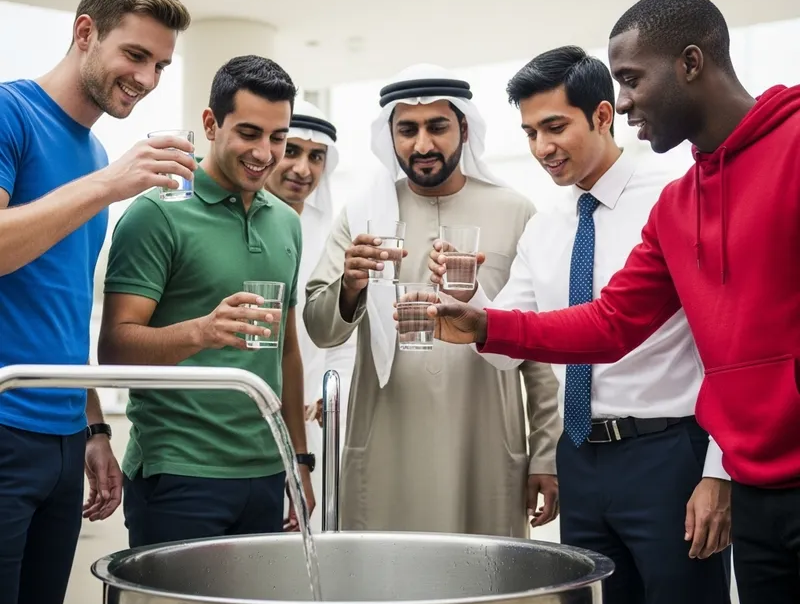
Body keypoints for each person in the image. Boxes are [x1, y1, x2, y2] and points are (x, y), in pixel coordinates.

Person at [425, 0, 800, 604]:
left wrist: (717, 468)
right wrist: (483, 323)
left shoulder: (767, 154)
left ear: (688, 63)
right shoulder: (671, 207)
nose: (626, 104)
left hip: (680, 456)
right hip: (639, 469)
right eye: (529, 134)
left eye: (631, 81)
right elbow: (609, 324)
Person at [0, 0, 192, 604]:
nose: (146, 78)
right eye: (135, 55)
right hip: (3, 424)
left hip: (58, 438)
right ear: (85, 32)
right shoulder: (10, 115)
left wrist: (93, 426)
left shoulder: (95, 153)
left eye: (161, 65)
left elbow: (63, 307)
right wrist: (107, 185)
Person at [303, 63, 561, 536]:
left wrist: (546, 452)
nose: (422, 144)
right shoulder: (361, 215)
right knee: (386, 591)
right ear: (390, 136)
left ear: (463, 127)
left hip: (482, 444)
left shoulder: (516, 210)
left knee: (486, 589)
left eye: (437, 126)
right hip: (386, 442)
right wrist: (350, 285)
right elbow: (321, 328)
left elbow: (539, 348)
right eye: (407, 130)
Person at [98, 55, 315, 547]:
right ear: (211, 124)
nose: (265, 152)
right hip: (178, 472)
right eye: (249, 133)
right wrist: (203, 331)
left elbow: (287, 350)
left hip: (265, 471)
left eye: (277, 137)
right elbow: (114, 350)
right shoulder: (156, 213)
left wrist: (298, 460)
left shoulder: (286, 222)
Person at [264, 99, 356, 530]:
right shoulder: (241, 222)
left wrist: (329, 390)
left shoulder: (334, 235)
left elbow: (345, 330)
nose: (303, 168)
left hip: (316, 422)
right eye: (292, 151)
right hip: (249, 418)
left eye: (316, 156)